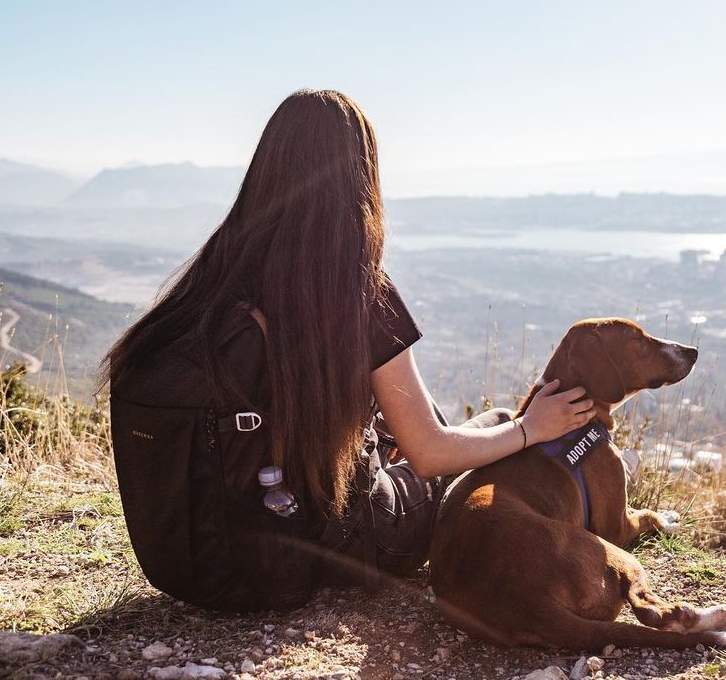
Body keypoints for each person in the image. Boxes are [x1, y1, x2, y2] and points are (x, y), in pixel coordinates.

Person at [99, 88, 595, 588]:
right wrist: (532, 428)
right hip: (341, 539)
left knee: (428, 431)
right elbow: (430, 453)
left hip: (196, 561)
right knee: (497, 424)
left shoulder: (215, 273)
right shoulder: (354, 286)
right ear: (361, 174)